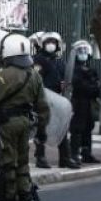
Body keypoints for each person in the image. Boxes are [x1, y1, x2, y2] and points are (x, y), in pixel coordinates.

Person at [0, 33, 50, 201]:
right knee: (23, 163)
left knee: (8, 164)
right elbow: (43, 105)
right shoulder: (34, 75)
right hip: (26, 123)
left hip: (8, 123)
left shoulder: (5, 75)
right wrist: (42, 128)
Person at [32, 32, 76, 169]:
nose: (51, 44)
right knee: (41, 128)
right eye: (48, 42)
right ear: (42, 44)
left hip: (58, 98)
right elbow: (36, 80)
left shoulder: (59, 61)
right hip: (43, 98)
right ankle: (40, 157)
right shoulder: (38, 60)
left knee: (62, 128)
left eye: (53, 42)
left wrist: (64, 84)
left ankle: (65, 158)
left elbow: (66, 78)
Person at [69, 40, 101, 164]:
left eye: (85, 50)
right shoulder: (73, 69)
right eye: (80, 51)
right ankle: (74, 154)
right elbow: (79, 86)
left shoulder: (91, 69)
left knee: (88, 127)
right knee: (77, 128)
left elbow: (97, 86)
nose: (83, 53)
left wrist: (94, 88)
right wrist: (91, 87)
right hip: (77, 102)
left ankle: (86, 153)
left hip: (89, 102)